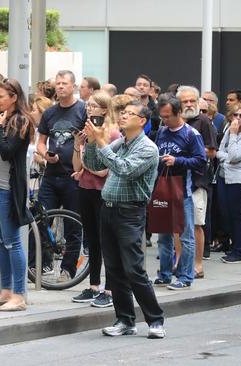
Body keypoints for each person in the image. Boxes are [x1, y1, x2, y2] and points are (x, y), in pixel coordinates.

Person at [83, 100, 165, 339]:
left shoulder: (147, 148)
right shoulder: (122, 142)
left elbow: (124, 169)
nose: (123, 116)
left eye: (130, 113)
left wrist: (100, 141)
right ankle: (125, 320)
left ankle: (155, 320)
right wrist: (90, 142)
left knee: (133, 269)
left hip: (129, 212)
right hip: (108, 209)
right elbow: (95, 164)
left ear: (142, 121)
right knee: (115, 269)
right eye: (123, 112)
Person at [0, 79, 34, 311]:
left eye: (1, 96)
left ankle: (19, 295)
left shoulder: (20, 121)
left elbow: (6, 152)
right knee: (0, 241)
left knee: (12, 242)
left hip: (6, 188)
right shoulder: (3, 118)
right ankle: (5, 291)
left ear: (14, 97)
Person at [36, 70, 87, 282]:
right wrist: (44, 154)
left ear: (73, 86)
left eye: (64, 83)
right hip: (51, 175)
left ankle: (68, 270)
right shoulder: (49, 113)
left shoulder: (82, 110)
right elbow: (41, 141)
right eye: (57, 83)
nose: (60, 87)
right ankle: (43, 263)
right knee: (41, 219)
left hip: (73, 176)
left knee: (73, 226)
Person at [70, 90, 119, 308]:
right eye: (88, 105)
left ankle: (110, 289)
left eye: (94, 106)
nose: (89, 109)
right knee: (91, 240)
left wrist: (88, 162)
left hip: (103, 191)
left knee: (107, 239)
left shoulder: (113, 133)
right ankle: (93, 285)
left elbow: (103, 169)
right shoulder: (86, 131)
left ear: (105, 109)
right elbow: (77, 167)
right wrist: (77, 144)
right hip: (85, 188)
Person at [153, 94, 207, 290]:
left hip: (182, 191)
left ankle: (186, 276)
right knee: (164, 235)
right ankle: (165, 274)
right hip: (163, 189)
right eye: (162, 116)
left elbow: (201, 161)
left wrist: (177, 161)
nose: (165, 120)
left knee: (186, 235)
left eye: (168, 116)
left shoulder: (191, 134)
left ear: (178, 113)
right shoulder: (161, 132)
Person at [177, 86, 217, 278]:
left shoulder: (203, 121)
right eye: (185, 101)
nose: (189, 104)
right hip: (176, 180)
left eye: (192, 100)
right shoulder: (172, 122)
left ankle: (197, 265)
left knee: (196, 224)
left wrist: (189, 151)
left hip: (197, 181)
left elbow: (211, 151)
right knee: (176, 225)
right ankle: (178, 262)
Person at [215, 104, 241, 263]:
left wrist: (232, 135)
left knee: (237, 215)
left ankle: (240, 252)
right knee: (226, 214)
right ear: (230, 116)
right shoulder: (227, 131)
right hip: (225, 176)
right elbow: (219, 152)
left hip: (240, 179)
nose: (238, 118)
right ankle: (234, 246)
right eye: (235, 115)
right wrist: (228, 156)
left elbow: (234, 156)